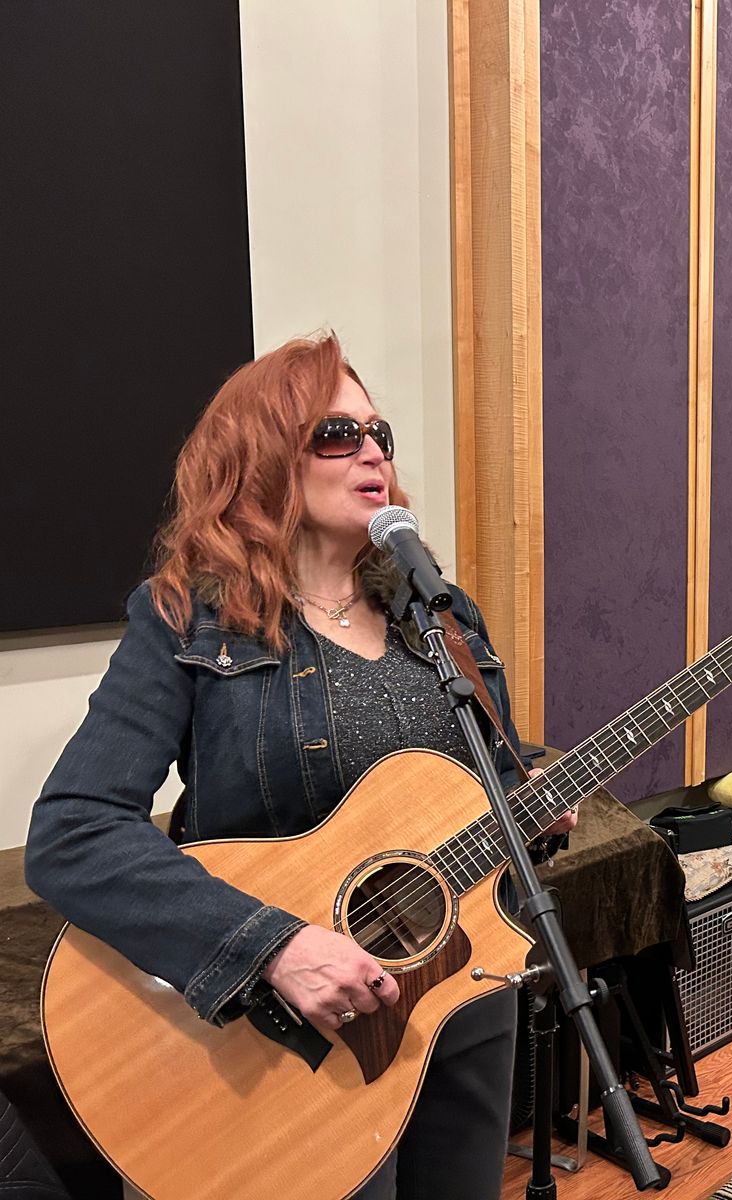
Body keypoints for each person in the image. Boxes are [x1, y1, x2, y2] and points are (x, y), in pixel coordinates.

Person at [25, 332, 576, 1199]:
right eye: (337, 434)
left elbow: (486, 781)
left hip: (460, 994)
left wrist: (527, 805)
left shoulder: (437, 613)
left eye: (379, 434)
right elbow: (73, 833)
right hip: (277, 1042)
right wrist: (272, 947)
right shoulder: (188, 619)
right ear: (262, 457)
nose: (373, 453)